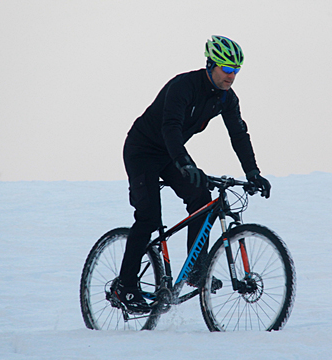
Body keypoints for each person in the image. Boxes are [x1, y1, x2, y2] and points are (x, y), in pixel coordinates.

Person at [113, 35, 271, 314]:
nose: (231, 76)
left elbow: (238, 134)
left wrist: (253, 171)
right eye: (226, 69)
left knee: (201, 196)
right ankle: (124, 287)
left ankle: (196, 271)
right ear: (211, 65)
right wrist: (185, 163)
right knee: (149, 217)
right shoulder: (183, 86)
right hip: (142, 151)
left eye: (236, 70)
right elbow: (170, 127)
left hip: (169, 154)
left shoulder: (226, 98)